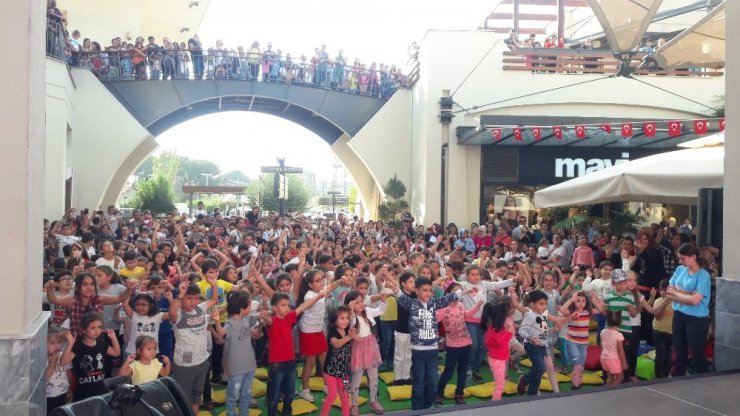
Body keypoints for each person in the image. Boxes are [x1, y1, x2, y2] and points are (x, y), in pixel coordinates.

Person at [386, 276, 474, 410]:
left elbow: (447, 298)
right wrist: (393, 286)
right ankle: (417, 409)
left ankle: (427, 407)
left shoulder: (434, 304)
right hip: (418, 351)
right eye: (424, 290)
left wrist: (464, 292)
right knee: (419, 382)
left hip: (432, 350)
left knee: (432, 383)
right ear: (416, 291)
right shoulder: (413, 304)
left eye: (430, 290)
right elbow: (400, 296)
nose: (428, 293)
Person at [263, 290, 328, 416]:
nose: (287, 307)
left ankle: (287, 411)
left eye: (288, 305)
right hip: (276, 364)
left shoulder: (289, 317)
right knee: (275, 395)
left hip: (290, 362)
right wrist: (265, 315)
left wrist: (318, 296)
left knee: (290, 392)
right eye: (283, 305)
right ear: (274, 308)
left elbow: (304, 306)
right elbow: (267, 320)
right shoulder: (272, 321)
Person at [168, 271, 220, 415]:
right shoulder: (178, 314)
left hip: (202, 361)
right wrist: (179, 295)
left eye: (196, 298)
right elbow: (171, 313)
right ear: (182, 299)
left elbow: (214, 299)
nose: (193, 301)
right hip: (185, 365)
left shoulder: (200, 309)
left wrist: (214, 284)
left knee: (196, 398)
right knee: (184, 398)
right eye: (189, 298)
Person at [434, 283, 484, 405]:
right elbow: (433, 319)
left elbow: (467, 315)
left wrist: (477, 306)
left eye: (460, 291)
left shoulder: (461, 305)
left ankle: (459, 394)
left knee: (462, 371)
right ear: (448, 294)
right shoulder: (443, 309)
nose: (459, 294)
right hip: (452, 346)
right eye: (456, 291)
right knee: (448, 372)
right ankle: (438, 394)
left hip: (466, 344)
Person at [666, 243, 712, 376]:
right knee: (680, 353)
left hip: (696, 319)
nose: (680, 261)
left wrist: (677, 293)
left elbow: (695, 301)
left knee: (697, 354)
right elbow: (668, 292)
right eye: (679, 258)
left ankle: (701, 381)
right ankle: (678, 378)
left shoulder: (703, 276)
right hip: (679, 314)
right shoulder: (679, 270)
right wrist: (686, 295)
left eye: (683, 259)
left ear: (693, 257)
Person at [516, 290, 571, 396]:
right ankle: (524, 379)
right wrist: (530, 338)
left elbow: (543, 330)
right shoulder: (529, 315)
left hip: (542, 345)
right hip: (532, 346)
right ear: (532, 304)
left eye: (545, 304)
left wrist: (553, 329)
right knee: (541, 368)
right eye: (541, 304)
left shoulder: (544, 314)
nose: (544, 306)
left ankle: (532, 394)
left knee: (538, 371)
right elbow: (521, 331)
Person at [218, 291, 262, 416]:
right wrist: (216, 321)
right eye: (249, 305)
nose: (250, 308)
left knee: (246, 394)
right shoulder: (230, 323)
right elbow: (221, 333)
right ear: (242, 308)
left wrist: (264, 314)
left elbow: (257, 316)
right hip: (235, 367)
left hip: (249, 365)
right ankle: (231, 414)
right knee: (233, 395)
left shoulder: (247, 319)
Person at [61, 312, 122, 401]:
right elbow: (63, 362)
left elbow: (117, 353)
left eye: (99, 327)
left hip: (100, 391)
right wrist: (70, 344)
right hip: (82, 393)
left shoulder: (102, 344)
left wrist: (113, 337)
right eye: (93, 328)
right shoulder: (78, 347)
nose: (97, 331)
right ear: (83, 330)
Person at [345, 290, 387, 415]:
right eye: (356, 303)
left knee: (373, 376)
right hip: (358, 347)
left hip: (371, 345)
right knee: (356, 377)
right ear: (350, 305)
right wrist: (351, 310)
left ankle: (373, 400)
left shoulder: (368, 311)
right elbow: (352, 323)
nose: (361, 304)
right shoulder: (350, 316)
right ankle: (354, 404)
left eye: (362, 301)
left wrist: (383, 301)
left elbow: (380, 311)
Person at [560, 291, 603, 389]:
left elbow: (600, 310)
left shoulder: (587, 312)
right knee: (578, 365)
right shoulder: (572, 312)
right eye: (578, 301)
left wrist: (593, 300)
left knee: (581, 367)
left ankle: (577, 383)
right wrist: (571, 300)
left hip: (583, 344)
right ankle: (575, 386)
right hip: (572, 343)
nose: (580, 303)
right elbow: (562, 309)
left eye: (583, 301)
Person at [321, 306, 356, 416]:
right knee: (332, 395)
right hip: (330, 371)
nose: (345, 321)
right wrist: (350, 337)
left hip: (344, 373)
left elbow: (356, 340)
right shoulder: (332, 332)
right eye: (342, 318)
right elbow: (336, 344)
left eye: (347, 318)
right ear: (334, 320)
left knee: (345, 395)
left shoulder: (348, 331)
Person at [481, 297, 514, 401]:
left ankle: (496, 400)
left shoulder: (493, 328)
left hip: (496, 358)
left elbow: (490, 342)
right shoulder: (496, 330)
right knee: (500, 384)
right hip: (498, 359)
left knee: (499, 382)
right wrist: (508, 332)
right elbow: (500, 342)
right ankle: (496, 402)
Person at [651, 279, 674, 378]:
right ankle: (658, 376)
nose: (664, 292)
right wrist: (664, 303)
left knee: (668, 355)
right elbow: (658, 317)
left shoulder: (676, 302)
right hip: (659, 331)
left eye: (666, 290)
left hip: (672, 332)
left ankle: (666, 374)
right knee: (660, 354)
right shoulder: (658, 301)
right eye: (661, 290)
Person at [46, 326, 72, 414]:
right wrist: (53, 362)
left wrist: (69, 388)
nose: (57, 346)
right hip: (48, 396)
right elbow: (45, 379)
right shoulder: (43, 358)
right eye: (52, 343)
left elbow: (68, 372)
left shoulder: (62, 355)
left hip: (63, 393)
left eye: (59, 342)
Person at [600, 310, 628, 385]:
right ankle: (609, 391)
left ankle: (606, 391)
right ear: (620, 322)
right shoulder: (618, 335)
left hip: (604, 358)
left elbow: (602, 344)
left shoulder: (603, 332)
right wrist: (624, 362)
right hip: (613, 359)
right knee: (620, 377)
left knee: (610, 377)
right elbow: (620, 350)